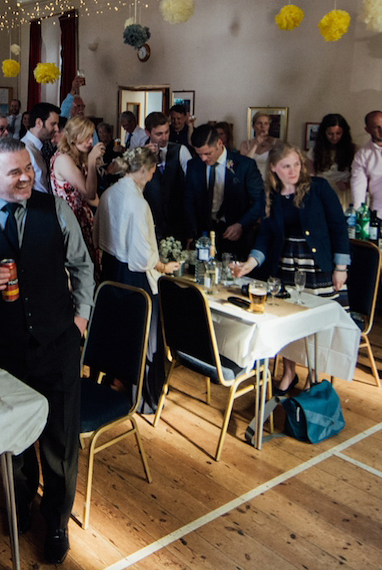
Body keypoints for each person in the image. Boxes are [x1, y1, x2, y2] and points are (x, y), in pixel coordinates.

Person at [0, 137, 95, 565]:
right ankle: (21, 502)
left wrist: (80, 319)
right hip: (5, 347)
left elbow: (83, 267)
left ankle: (58, 521)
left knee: (61, 439)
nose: (27, 176)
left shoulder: (54, 209)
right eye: (15, 172)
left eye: (28, 168)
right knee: (16, 434)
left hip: (59, 341)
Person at [233, 142, 349, 393]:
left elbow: (338, 227)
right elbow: (265, 236)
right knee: (288, 323)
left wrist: (341, 267)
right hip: (285, 267)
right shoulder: (271, 195)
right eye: (286, 166)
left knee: (318, 326)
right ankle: (288, 372)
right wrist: (249, 264)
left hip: (318, 268)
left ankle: (314, 376)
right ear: (274, 168)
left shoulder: (319, 188)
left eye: (297, 164)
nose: (294, 170)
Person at [95, 146, 180, 412]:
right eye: (153, 171)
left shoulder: (110, 193)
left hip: (111, 273)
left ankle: (115, 384)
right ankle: (142, 399)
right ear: (143, 170)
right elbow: (144, 256)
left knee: (116, 332)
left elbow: (98, 234)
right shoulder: (138, 203)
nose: (153, 176)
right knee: (143, 338)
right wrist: (164, 267)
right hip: (133, 278)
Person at [184, 124, 265, 257]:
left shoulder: (244, 165)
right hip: (204, 233)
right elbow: (188, 201)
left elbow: (260, 201)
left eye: (207, 153)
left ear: (219, 143)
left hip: (236, 233)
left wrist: (241, 225)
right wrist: (191, 235)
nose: (203, 158)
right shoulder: (194, 165)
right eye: (199, 154)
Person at [51, 115, 106, 278]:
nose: (91, 141)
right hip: (71, 220)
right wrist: (91, 161)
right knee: (82, 269)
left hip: (83, 217)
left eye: (91, 136)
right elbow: (87, 192)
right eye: (87, 136)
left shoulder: (77, 157)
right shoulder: (63, 159)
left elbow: (91, 197)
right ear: (74, 137)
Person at [142, 112, 189, 245]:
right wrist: (143, 158)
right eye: (159, 134)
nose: (164, 138)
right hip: (152, 222)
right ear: (147, 132)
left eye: (166, 132)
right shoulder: (139, 154)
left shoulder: (181, 151)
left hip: (177, 221)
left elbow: (191, 185)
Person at [311, 113, 355, 210]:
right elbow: (310, 176)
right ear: (324, 133)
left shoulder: (354, 150)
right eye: (330, 134)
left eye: (338, 133)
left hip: (343, 193)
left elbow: (359, 176)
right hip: (322, 193)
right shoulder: (314, 151)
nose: (334, 137)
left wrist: (348, 184)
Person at [21, 102, 60, 194]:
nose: (57, 129)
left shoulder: (47, 146)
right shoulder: (24, 150)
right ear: (39, 123)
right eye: (53, 124)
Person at [239, 110, 277, 201]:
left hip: (270, 184)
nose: (262, 127)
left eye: (266, 123)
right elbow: (244, 164)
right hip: (250, 184)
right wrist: (256, 144)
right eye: (259, 123)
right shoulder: (245, 144)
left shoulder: (276, 143)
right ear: (253, 126)